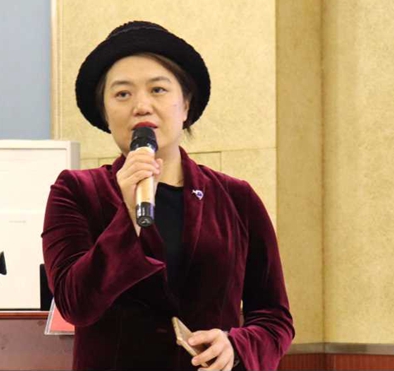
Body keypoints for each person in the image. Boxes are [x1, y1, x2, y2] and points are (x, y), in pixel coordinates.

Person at [42, 21, 294, 371]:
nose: (141, 106)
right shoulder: (76, 192)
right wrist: (127, 217)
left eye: (158, 89)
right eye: (122, 94)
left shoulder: (237, 199)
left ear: (186, 105)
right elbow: (75, 304)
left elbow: (274, 318)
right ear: (105, 113)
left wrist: (235, 346)